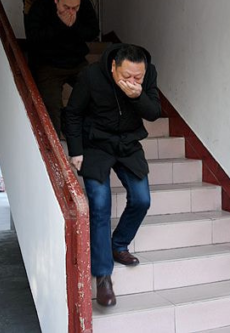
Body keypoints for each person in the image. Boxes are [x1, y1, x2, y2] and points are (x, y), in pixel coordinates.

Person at [63, 43, 162, 307]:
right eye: (127, 76)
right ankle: (103, 276)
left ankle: (118, 244)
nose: (133, 80)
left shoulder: (148, 74)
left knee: (142, 199)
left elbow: (154, 112)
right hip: (96, 143)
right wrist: (76, 150)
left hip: (128, 142)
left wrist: (138, 95)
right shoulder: (91, 75)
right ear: (113, 67)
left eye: (138, 77)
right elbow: (73, 113)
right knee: (99, 205)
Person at [26, 0, 100, 133]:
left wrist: (75, 25)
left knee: (97, 93)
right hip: (49, 65)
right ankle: (57, 142)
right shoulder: (41, 6)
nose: (71, 11)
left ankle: (90, 135)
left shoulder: (84, 5)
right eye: (66, 7)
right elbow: (34, 38)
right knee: (51, 107)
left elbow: (93, 31)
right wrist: (60, 25)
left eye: (75, 8)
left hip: (77, 62)